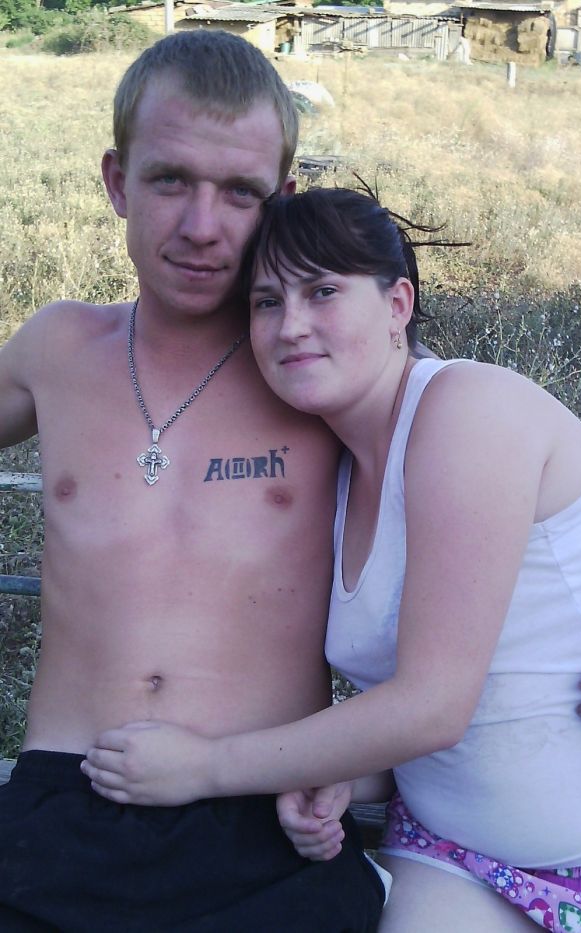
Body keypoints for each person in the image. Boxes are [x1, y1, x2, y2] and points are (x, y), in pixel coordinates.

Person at [83, 188, 581, 933]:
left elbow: (434, 705)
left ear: (397, 303)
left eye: (323, 291)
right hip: (455, 857)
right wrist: (343, 771)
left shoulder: (467, 410)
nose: (291, 325)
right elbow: (469, 708)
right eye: (267, 302)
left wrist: (206, 767)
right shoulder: (338, 470)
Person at [0, 36, 386, 931]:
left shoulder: (319, 368)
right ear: (117, 181)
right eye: (170, 179)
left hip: (264, 812)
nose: (203, 226)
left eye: (240, 191)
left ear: (280, 197)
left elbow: (518, 450)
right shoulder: (58, 348)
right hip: (64, 804)